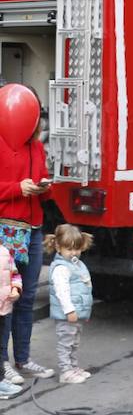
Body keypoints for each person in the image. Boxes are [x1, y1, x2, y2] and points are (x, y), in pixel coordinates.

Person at [0, 86, 56, 384]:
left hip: (33, 229)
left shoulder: (36, 146)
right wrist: (16, 188)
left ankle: (22, 358)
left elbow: (39, 182)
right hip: (6, 229)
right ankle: (2, 364)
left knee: (28, 296)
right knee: (6, 298)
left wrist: (45, 187)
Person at [45, 225, 94, 384]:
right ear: (58, 247)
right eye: (69, 249)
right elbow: (62, 292)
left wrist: (84, 311)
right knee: (66, 342)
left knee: (74, 341)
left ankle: (73, 367)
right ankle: (66, 371)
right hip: (67, 314)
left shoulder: (76, 264)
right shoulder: (61, 268)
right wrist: (70, 311)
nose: (74, 253)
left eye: (77, 248)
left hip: (76, 313)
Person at [0, 243, 22, 397]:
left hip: (4, 307)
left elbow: (15, 274)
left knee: (1, 347)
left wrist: (16, 289)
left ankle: (1, 379)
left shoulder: (5, 252)